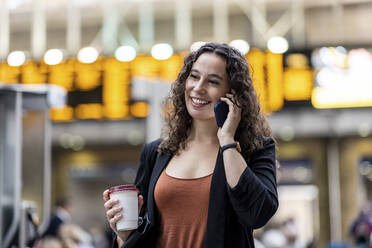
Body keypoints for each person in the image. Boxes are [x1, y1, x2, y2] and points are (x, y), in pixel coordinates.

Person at [103, 42, 278, 248]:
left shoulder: (254, 150)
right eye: (194, 77)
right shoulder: (157, 153)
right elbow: (143, 233)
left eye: (212, 81)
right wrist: (124, 236)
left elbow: (258, 214)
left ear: (232, 94)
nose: (198, 88)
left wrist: (228, 142)